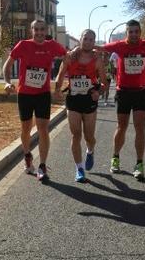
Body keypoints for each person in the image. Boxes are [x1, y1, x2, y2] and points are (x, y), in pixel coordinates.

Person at [98, 19, 145, 180]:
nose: (133, 34)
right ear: (126, 33)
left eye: (136, 31)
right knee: (121, 127)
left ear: (140, 32)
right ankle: (115, 157)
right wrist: (76, 50)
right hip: (123, 92)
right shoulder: (119, 46)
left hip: (141, 92)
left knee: (140, 128)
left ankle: (139, 163)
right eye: (130, 32)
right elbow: (100, 48)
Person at [3, 19, 67, 182]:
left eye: (42, 30)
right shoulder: (23, 45)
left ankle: (42, 166)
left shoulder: (52, 45)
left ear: (46, 31)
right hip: (24, 94)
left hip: (43, 94)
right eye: (36, 30)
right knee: (26, 128)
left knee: (43, 129)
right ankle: (27, 155)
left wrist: (62, 82)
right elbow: (8, 65)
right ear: (31, 31)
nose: (39, 32)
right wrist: (7, 82)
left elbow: (68, 57)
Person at [55, 29, 107, 183]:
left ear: (94, 42)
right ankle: (79, 168)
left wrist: (99, 92)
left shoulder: (97, 60)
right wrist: (57, 89)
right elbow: (60, 73)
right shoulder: (71, 57)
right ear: (80, 39)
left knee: (89, 136)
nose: (88, 42)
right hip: (73, 100)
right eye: (86, 38)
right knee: (76, 135)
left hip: (89, 101)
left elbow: (104, 83)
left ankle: (90, 151)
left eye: (92, 39)